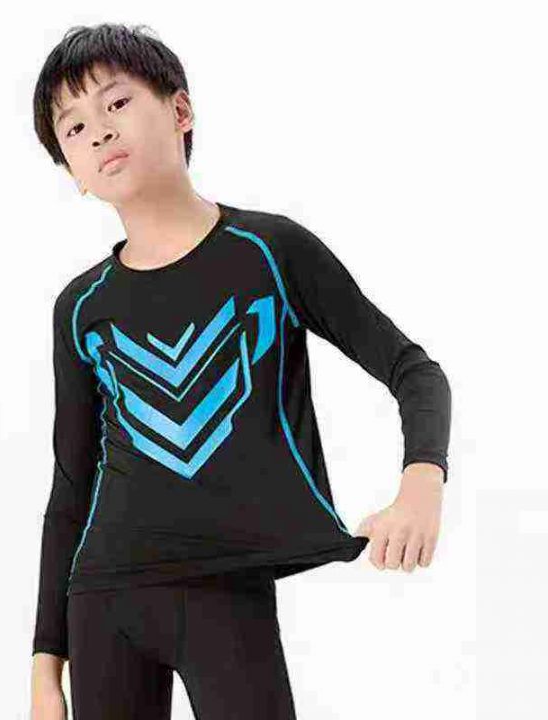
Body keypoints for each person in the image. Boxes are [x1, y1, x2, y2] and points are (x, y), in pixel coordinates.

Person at [29, 22, 451, 720]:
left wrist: (422, 482)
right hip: (104, 598)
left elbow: (414, 370)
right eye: (73, 127)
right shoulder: (81, 307)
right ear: (72, 170)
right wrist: (46, 667)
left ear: (181, 110)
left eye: (116, 103)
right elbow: (70, 487)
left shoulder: (269, 252)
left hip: (227, 588)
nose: (98, 131)